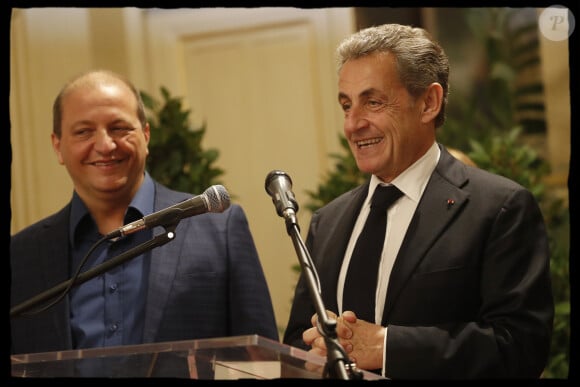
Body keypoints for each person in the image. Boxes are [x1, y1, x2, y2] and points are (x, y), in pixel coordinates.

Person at [283, 24, 554, 379]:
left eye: (373, 102)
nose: (352, 124)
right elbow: (294, 344)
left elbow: (520, 348)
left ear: (429, 102)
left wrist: (387, 345)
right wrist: (316, 346)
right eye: (346, 105)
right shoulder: (327, 221)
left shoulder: (499, 208)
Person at [10, 70, 279, 356]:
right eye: (84, 132)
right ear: (57, 146)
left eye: (119, 128)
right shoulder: (22, 255)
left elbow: (262, 360)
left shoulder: (218, 229)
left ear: (146, 135)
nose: (105, 145)